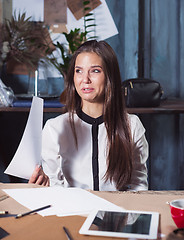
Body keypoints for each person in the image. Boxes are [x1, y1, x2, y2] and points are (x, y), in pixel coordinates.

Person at [29, 40, 149, 191]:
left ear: (110, 77)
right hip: (73, 212)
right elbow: (54, 187)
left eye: (95, 71)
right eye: (79, 71)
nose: (85, 79)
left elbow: (139, 186)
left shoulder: (132, 126)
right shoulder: (54, 128)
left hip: (118, 212)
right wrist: (43, 189)